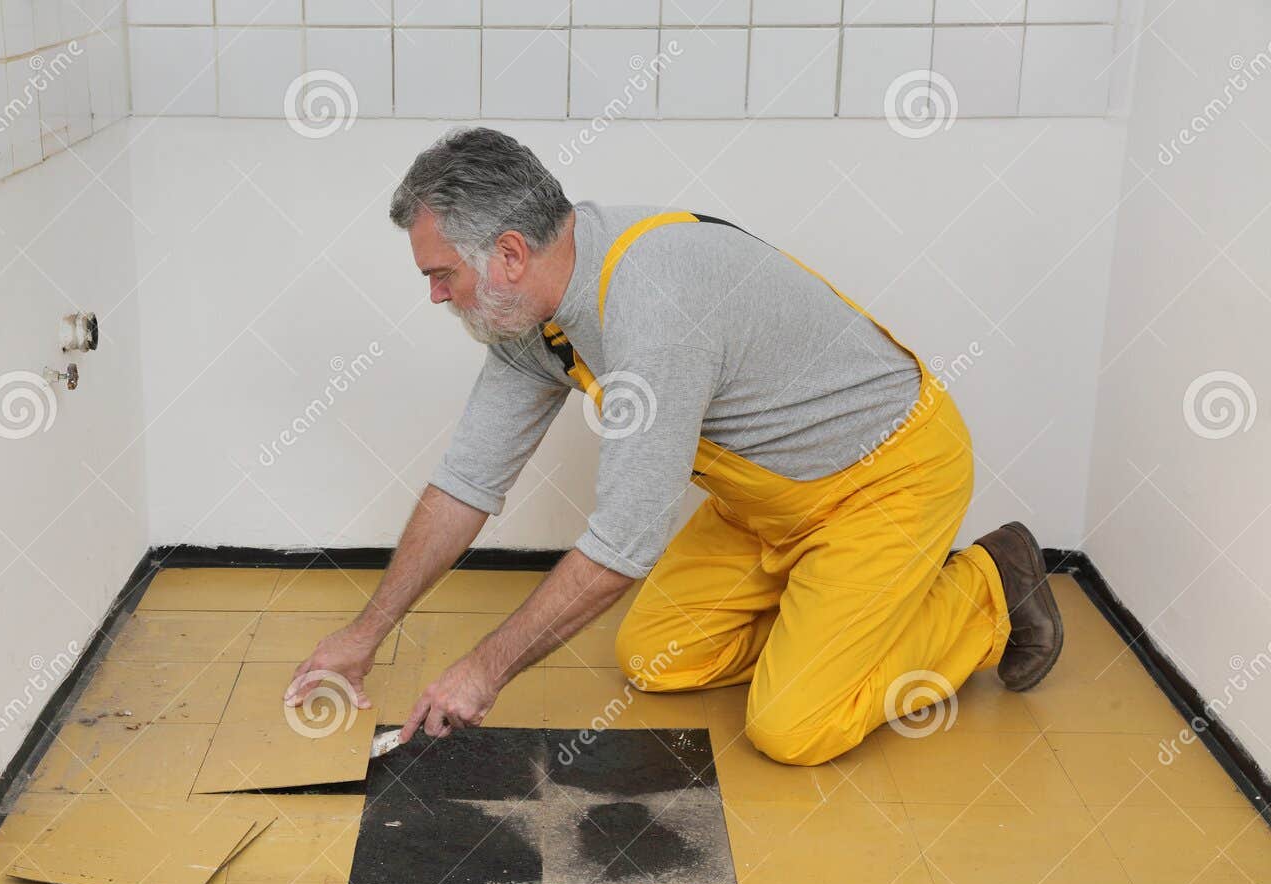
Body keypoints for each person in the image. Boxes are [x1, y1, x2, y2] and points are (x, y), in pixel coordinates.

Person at [285, 128, 1061, 767]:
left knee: (793, 728)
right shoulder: (528, 317)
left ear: (510, 253)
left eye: (439, 273)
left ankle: (990, 586)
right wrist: (363, 635)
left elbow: (624, 543)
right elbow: (466, 484)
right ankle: (836, 615)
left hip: (886, 479)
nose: (434, 295)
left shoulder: (652, 304)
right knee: (657, 657)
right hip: (764, 504)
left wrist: (483, 671)